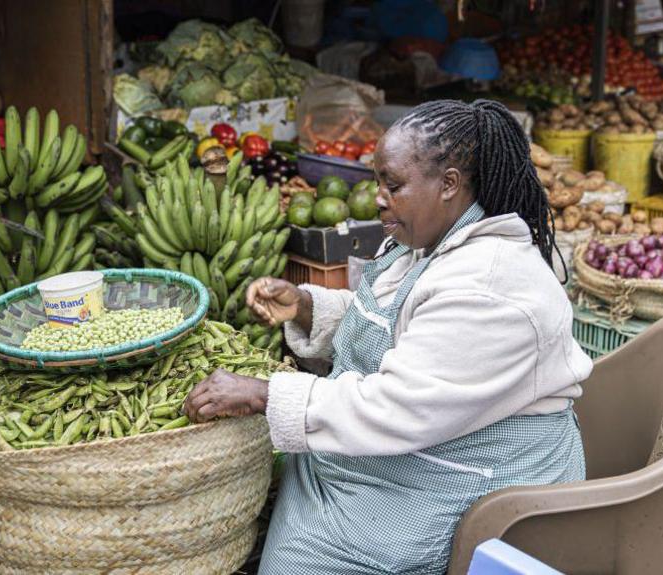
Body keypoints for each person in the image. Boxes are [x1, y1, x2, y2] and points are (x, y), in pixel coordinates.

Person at [184, 99, 592, 575]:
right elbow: (397, 323)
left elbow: (399, 405)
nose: (377, 197)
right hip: (422, 451)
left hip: (471, 487)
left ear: (449, 185)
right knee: (292, 481)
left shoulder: (489, 286)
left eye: (392, 185)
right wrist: (306, 307)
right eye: (377, 181)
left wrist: (264, 393)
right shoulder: (428, 242)